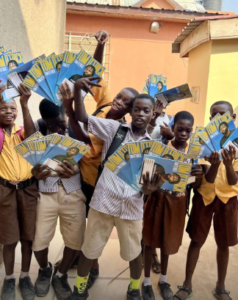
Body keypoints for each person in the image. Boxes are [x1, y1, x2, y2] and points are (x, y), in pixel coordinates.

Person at [65, 88, 160, 300]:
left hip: (131, 209)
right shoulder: (114, 130)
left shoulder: (152, 147)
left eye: (146, 110)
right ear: (131, 112)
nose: (140, 114)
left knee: (134, 253)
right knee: (89, 249)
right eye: (136, 109)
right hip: (103, 203)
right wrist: (79, 90)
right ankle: (80, 289)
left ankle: (133, 288)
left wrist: (149, 190)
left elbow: (146, 184)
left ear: (152, 114)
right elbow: (82, 117)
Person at [60, 73, 139, 289]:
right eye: (120, 96)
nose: (119, 101)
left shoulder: (116, 128)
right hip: (81, 176)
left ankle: (93, 267)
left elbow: (82, 138)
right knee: (83, 224)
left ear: (129, 111)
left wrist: (69, 107)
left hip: (97, 184)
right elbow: (94, 76)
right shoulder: (104, 105)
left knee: (93, 230)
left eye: (126, 103)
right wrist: (100, 45)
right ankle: (82, 258)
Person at [174, 101, 238, 300]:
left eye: (224, 114)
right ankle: (187, 283)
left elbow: (233, 180)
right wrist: (215, 163)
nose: (219, 118)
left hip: (228, 199)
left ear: (232, 118)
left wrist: (227, 165)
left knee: (224, 244)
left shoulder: (237, 143)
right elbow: (208, 178)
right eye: (214, 115)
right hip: (205, 197)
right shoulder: (202, 142)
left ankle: (221, 286)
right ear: (210, 119)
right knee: (196, 240)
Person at [142, 111, 203, 300]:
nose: (183, 133)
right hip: (156, 200)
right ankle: (145, 282)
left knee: (168, 242)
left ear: (191, 132)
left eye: (187, 130)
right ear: (173, 127)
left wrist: (198, 175)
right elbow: (147, 175)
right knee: (150, 241)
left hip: (177, 203)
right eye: (179, 129)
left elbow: (195, 184)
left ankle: (163, 280)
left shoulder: (193, 155)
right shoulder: (161, 147)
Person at [31, 99, 87, 300]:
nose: (58, 130)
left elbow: (89, 155)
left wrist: (75, 169)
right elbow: (29, 161)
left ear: (66, 115)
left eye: (61, 124)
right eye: (52, 126)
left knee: (75, 239)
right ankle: (45, 270)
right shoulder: (37, 130)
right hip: (46, 192)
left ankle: (61, 275)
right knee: (38, 240)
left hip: (73, 192)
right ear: (45, 121)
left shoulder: (76, 128)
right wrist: (34, 173)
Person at [0, 83, 38, 300]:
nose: (8, 112)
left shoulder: (22, 131)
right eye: (3, 108)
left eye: (11, 109)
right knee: (9, 238)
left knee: (27, 237)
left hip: (28, 191)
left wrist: (24, 104)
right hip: (5, 191)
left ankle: (25, 276)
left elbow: (33, 139)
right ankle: (9, 278)